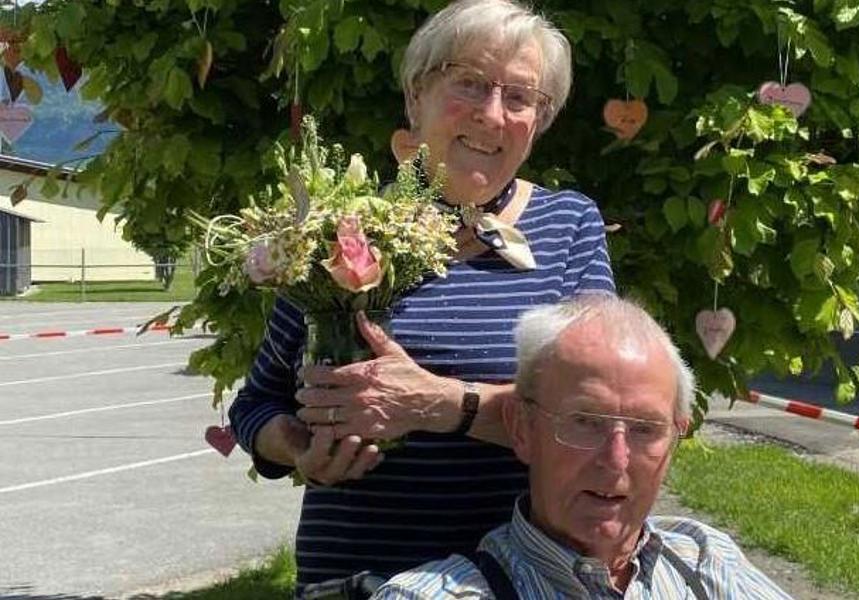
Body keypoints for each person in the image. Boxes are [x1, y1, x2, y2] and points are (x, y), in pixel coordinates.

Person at [228, 0, 615, 595]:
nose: (492, 115)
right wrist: (301, 448)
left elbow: (595, 415)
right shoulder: (341, 227)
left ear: (540, 120)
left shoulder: (569, 224)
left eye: (520, 98)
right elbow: (255, 404)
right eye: (469, 83)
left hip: (517, 576)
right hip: (356, 575)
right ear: (416, 97)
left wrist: (438, 403)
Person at [371, 296, 793, 599]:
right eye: (587, 423)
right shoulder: (437, 594)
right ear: (522, 428)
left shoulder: (703, 558)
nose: (616, 460)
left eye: (646, 429)